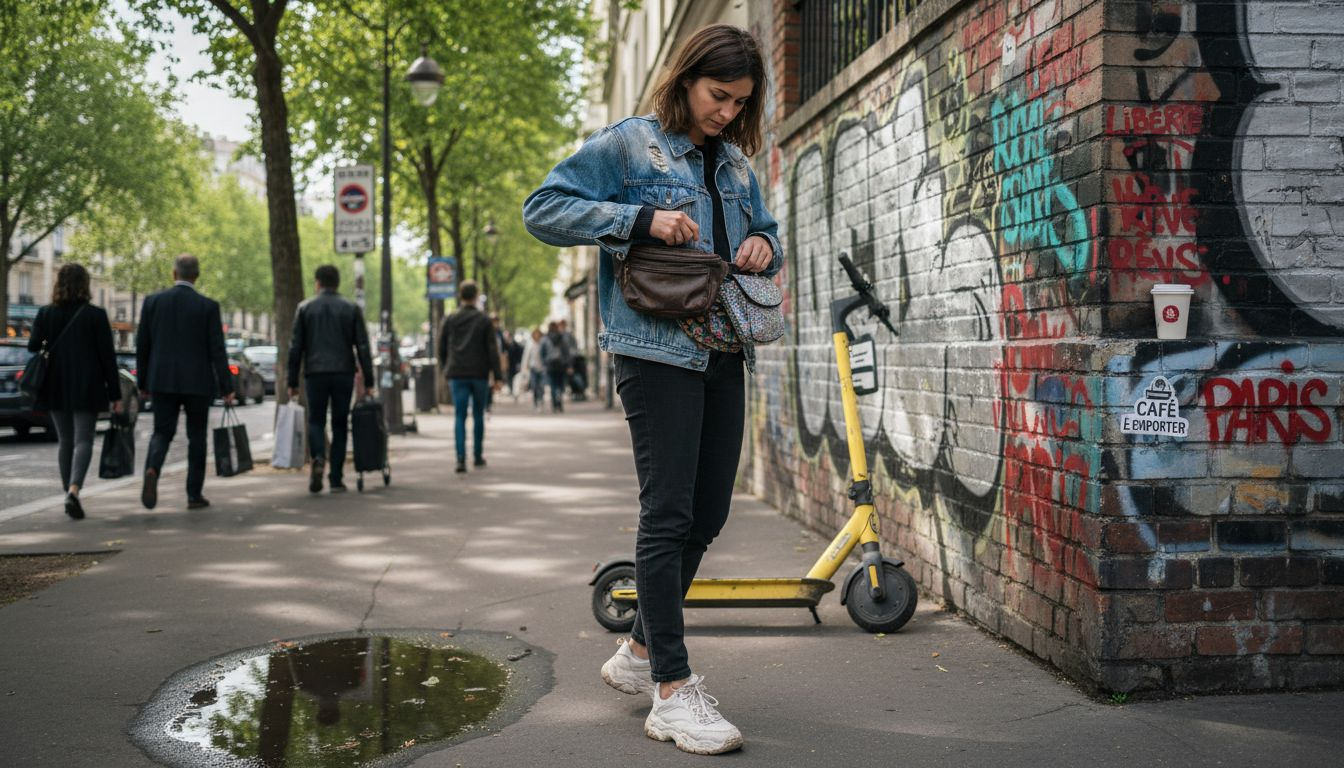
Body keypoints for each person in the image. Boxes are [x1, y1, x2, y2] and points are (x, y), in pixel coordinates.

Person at [523, 24, 781, 755]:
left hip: (725, 350)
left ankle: (637, 653)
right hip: (654, 350)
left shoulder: (734, 165)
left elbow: (762, 233)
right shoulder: (631, 146)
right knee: (666, 512)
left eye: (739, 102)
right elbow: (544, 208)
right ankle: (671, 687)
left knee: (708, 514)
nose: (727, 113)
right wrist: (638, 217)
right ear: (687, 78)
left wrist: (766, 242)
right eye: (717, 95)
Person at [137, 254, 236, 510]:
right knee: (197, 437)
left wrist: (143, 381)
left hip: (162, 380)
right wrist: (227, 387)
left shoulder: (152, 302)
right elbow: (217, 351)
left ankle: (152, 469)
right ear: (197, 276)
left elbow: (143, 346)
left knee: (162, 432)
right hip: (197, 382)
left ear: (174, 274)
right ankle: (194, 494)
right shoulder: (207, 307)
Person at [27, 263, 123, 520]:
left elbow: (33, 345)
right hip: (87, 384)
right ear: (85, 284)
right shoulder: (96, 315)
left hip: (55, 382)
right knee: (84, 440)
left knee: (65, 440)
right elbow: (107, 359)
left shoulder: (46, 313)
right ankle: (74, 490)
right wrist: (116, 395)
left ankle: (67, 492)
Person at [287, 265, 375, 494]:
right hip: (343, 372)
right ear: (337, 283)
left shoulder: (305, 308)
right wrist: (370, 381)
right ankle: (336, 477)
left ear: (318, 283)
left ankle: (317, 457)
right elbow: (363, 346)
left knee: (316, 420)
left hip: (314, 373)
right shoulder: (350, 308)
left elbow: (295, 347)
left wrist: (292, 381)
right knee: (339, 423)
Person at [437, 280, 502, 473]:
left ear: (460, 295)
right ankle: (478, 456)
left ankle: (460, 458)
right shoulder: (483, 320)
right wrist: (497, 376)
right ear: (475, 296)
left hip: (457, 373)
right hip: (479, 374)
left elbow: (441, 347)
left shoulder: (450, 319)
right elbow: (492, 350)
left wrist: (445, 368)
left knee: (459, 415)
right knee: (478, 415)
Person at [538, 321, 571, 413]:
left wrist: (544, 363)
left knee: (552, 385)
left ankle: (554, 405)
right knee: (560, 385)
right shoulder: (562, 338)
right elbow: (566, 352)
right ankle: (559, 399)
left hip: (550, 365)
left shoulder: (545, 339)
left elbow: (541, 353)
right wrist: (568, 365)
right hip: (561, 365)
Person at [519, 327, 546, 412]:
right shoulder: (530, 343)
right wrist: (524, 368)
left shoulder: (543, 343)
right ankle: (535, 402)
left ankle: (540, 401)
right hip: (533, 368)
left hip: (542, 368)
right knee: (534, 386)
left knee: (541, 386)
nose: (537, 336)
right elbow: (526, 356)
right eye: (535, 334)